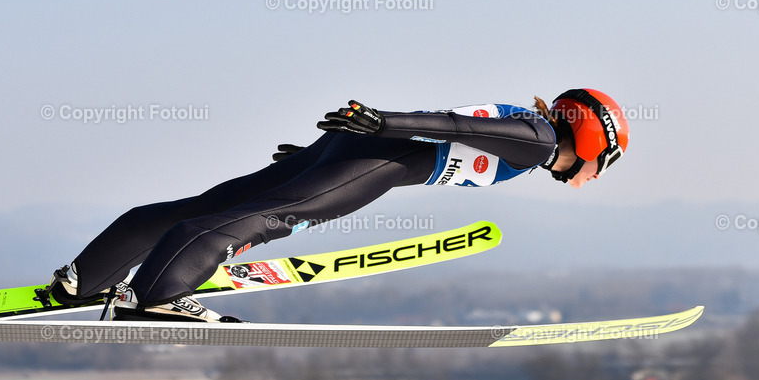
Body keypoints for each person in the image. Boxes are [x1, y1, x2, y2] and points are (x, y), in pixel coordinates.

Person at [46, 89, 630, 322]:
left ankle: (85, 277)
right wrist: (383, 121)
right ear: (590, 142)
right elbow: (453, 126)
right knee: (270, 218)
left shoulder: (529, 127)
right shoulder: (540, 141)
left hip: (353, 148)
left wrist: (319, 154)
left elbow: (454, 127)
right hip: (378, 155)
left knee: (215, 202)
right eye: (600, 166)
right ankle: (154, 296)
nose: (588, 179)